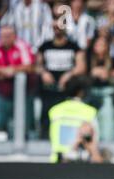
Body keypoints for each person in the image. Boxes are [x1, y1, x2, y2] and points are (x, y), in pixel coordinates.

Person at [37, 8, 86, 138]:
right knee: (46, 114)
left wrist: (68, 74)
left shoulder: (73, 46)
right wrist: (43, 73)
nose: (57, 27)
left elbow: (81, 66)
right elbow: (37, 64)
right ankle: (44, 136)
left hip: (67, 89)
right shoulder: (45, 46)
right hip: (49, 88)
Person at [0, 25, 35, 134]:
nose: (4, 39)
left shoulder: (22, 46)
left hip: (23, 92)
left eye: (7, 36)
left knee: (24, 124)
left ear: (14, 36)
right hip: (3, 91)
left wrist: (13, 70)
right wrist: (3, 70)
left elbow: (29, 66)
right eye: (2, 36)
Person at [48, 75, 101, 163]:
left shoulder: (54, 110)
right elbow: (94, 141)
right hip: (79, 162)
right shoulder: (90, 112)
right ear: (81, 92)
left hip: (56, 161)